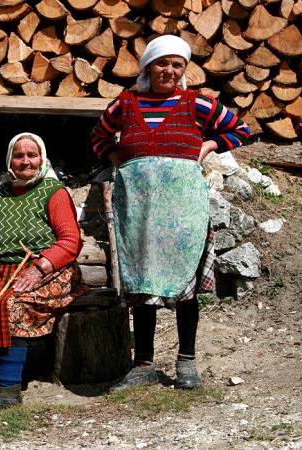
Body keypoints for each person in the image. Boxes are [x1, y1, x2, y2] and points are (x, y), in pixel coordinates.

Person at [91, 34, 250, 391]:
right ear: (149, 67)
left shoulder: (196, 103)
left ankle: (186, 361)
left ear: (184, 70)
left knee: (185, 284)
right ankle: (143, 363)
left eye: (177, 64)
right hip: (139, 208)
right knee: (142, 281)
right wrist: (115, 155)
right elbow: (99, 137)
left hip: (183, 209)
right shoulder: (127, 103)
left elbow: (241, 129)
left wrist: (209, 144)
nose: (170, 70)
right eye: (163, 63)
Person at [0, 132, 85, 409]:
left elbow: (70, 241)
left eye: (32, 155)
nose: (25, 162)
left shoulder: (54, 192)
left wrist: (37, 270)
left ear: (42, 158)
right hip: (5, 269)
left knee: (13, 304)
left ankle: (7, 385)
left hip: (50, 268)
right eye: (19, 155)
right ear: (10, 160)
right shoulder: (2, 193)